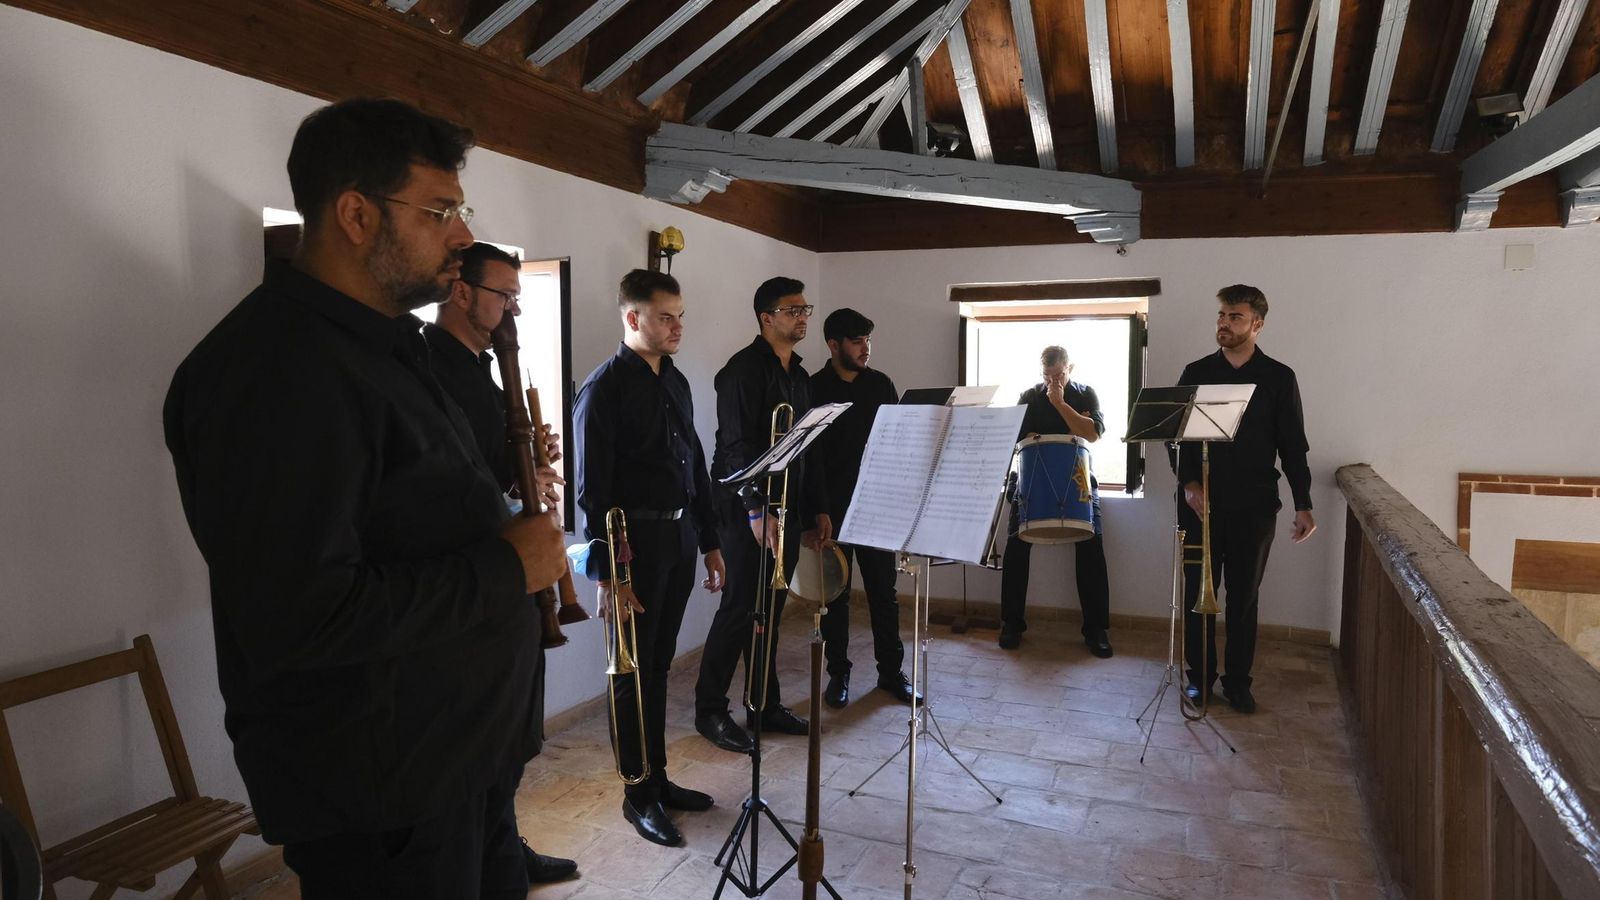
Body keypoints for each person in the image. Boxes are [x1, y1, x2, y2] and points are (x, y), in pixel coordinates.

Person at [163, 98, 568, 900]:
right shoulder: (277, 371)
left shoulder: (388, 345)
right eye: (440, 210)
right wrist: (503, 567)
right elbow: (300, 616)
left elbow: (416, 516)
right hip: (384, 795)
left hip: (456, 764)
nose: (460, 234)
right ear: (354, 213)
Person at [421, 241, 578, 884]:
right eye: (504, 294)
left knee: (510, 737)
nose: (513, 307)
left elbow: (490, 471)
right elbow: (452, 487)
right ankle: (492, 862)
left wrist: (529, 465)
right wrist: (516, 482)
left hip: (508, 568)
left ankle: (504, 848)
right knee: (487, 742)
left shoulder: (481, 367)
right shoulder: (432, 369)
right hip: (481, 572)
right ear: (461, 292)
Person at [573, 269, 726, 847]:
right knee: (629, 674)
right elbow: (592, 494)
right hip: (631, 549)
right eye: (666, 316)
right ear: (633, 318)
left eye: (680, 315)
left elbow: (695, 466)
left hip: (678, 539)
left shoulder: (677, 381)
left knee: (658, 669)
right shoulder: (603, 388)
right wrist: (609, 574)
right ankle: (637, 794)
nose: (677, 326)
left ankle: (658, 778)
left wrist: (710, 542)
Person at [693, 277, 831, 753]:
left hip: (788, 505)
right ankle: (710, 710)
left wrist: (815, 512)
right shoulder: (740, 372)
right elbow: (734, 447)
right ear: (766, 317)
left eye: (805, 308)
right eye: (793, 309)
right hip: (741, 508)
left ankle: (762, 704)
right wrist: (756, 510)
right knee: (739, 608)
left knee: (770, 609)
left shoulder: (799, 376)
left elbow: (805, 451)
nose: (803, 316)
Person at [1176, 284, 1316, 714]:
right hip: (1200, 506)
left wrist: (1303, 502)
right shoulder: (1196, 371)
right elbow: (1175, 439)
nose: (1224, 323)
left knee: (1243, 597)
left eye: (1235, 316)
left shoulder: (1279, 377)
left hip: (1255, 506)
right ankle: (1199, 679)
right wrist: (1188, 484)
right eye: (1221, 315)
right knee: (1199, 595)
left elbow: (1293, 446)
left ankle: (1238, 683)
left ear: (1257, 324)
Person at [807, 308, 915, 708]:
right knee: (835, 596)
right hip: (831, 511)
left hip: (876, 507)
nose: (865, 348)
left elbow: (897, 442)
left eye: (868, 339)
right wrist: (816, 510)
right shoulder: (813, 387)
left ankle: (891, 673)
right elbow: (810, 457)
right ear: (833, 345)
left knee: (883, 594)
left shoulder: (881, 384)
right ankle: (839, 675)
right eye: (857, 341)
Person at [998, 346, 1114, 658]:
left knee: (1092, 544)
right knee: (1016, 547)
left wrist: (1061, 405)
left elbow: (1091, 434)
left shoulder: (1086, 393)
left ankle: (1096, 629)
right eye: (1047, 376)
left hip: (1077, 479)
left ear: (1070, 368)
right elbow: (1018, 437)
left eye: (1059, 375)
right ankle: (1011, 623)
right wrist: (1068, 424)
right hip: (1030, 480)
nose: (1053, 381)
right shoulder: (1028, 396)